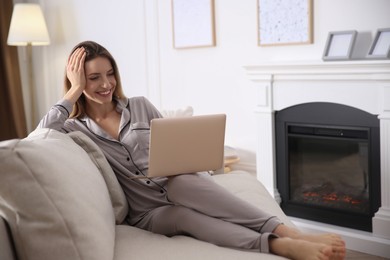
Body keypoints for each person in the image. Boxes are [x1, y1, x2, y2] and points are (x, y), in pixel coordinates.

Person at [39, 41, 346, 260]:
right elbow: (41, 135)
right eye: (94, 78)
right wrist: (72, 92)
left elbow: (175, 144)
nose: (106, 84)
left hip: (179, 184)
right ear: (78, 81)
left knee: (183, 183)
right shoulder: (73, 126)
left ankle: (286, 232)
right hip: (148, 212)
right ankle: (277, 245)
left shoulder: (141, 105)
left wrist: (192, 165)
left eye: (110, 74)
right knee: (184, 217)